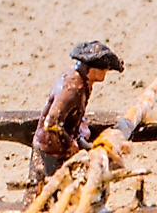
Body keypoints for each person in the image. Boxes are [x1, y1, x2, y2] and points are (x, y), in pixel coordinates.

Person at [29, 42, 124, 191]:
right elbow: (51, 123)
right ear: (93, 70)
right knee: (52, 187)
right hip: (52, 146)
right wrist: (69, 143)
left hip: (62, 139)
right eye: (104, 70)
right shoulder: (73, 89)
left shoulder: (82, 81)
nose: (105, 73)